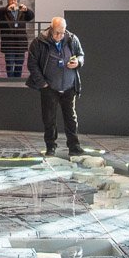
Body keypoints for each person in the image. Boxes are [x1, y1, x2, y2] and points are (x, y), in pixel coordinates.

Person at [26, 16, 85, 158]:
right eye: (57, 32)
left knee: (71, 117)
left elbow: (81, 55)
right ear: (51, 28)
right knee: (49, 118)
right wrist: (42, 83)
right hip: (50, 88)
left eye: (62, 32)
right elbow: (32, 64)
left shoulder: (72, 39)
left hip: (69, 87)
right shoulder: (39, 42)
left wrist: (77, 62)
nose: (60, 36)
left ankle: (74, 147)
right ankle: (50, 146)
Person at [0, 0, 34, 79]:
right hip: (9, 43)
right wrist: (6, 9)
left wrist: (26, 9)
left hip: (20, 43)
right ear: (8, 1)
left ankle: (17, 80)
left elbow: (31, 16)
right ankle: (10, 80)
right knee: (9, 64)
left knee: (19, 64)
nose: (13, 1)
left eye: (15, 0)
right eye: (11, 0)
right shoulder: (3, 12)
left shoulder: (22, 11)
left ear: (17, 1)